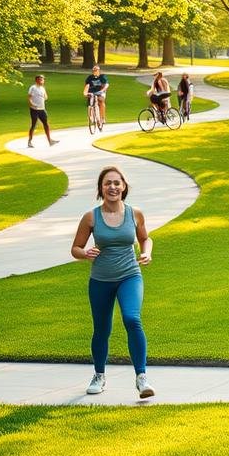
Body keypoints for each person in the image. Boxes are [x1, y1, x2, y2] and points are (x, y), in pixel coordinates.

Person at [71, 166, 155, 398]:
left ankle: (142, 378)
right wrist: (84, 253)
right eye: (107, 183)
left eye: (117, 183)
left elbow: (145, 239)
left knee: (132, 318)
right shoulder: (91, 217)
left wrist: (147, 252)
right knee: (102, 329)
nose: (112, 187)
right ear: (101, 188)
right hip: (100, 280)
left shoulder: (134, 213)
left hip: (130, 275)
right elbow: (75, 248)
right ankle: (99, 375)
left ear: (124, 186)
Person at [27, 74, 54, 148]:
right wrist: (32, 104)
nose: (42, 81)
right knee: (34, 125)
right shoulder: (33, 88)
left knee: (46, 124)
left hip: (42, 109)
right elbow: (29, 97)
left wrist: (43, 98)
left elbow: (46, 97)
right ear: (37, 80)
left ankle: (50, 140)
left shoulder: (42, 88)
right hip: (34, 109)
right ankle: (30, 141)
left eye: (43, 79)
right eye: (41, 79)